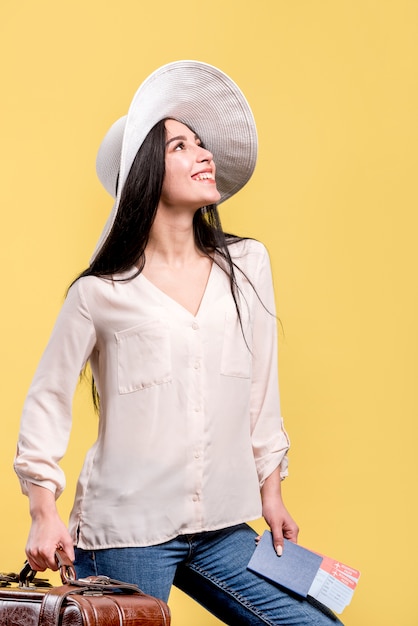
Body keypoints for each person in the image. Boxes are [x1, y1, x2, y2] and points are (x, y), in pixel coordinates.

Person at [14, 61, 342, 625]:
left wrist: (272, 490)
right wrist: (44, 509)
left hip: (220, 524)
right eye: (181, 147)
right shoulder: (100, 293)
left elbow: (262, 386)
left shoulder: (247, 265)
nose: (204, 154)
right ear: (143, 171)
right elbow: (47, 400)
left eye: (203, 144)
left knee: (318, 621)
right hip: (127, 532)